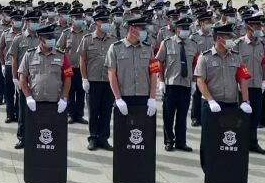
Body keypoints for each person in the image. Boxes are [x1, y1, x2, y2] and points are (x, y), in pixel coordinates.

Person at [194, 23, 253, 169]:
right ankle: (208, 169)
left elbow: (243, 79)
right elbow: (200, 81)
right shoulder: (205, 57)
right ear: (219, 38)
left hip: (231, 105)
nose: (231, 40)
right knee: (209, 139)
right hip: (212, 105)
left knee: (229, 138)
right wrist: (211, 101)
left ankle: (225, 169)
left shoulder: (237, 57)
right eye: (228, 37)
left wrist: (245, 101)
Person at [155, 17, 198, 152]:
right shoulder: (167, 43)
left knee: (182, 115)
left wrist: (194, 82)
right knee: (168, 115)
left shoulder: (193, 44)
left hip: (186, 84)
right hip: (171, 84)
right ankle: (169, 141)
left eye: (187, 28)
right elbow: (159, 62)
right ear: (177, 29)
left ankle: (181, 142)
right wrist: (161, 81)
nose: (185, 31)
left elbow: (195, 64)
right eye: (183, 28)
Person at [77, 9, 117, 150]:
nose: (106, 23)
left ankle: (104, 138)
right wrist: (84, 79)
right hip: (93, 81)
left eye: (107, 21)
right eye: (103, 21)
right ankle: (93, 138)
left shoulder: (113, 40)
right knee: (93, 112)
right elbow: (82, 60)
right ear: (96, 23)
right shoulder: (87, 39)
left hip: (108, 82)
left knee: (106, 112)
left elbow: (116, 63)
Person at [106, 16, 160, 119]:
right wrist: (118, 98)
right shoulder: (115, 48)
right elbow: (111, 74)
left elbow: (154, 73)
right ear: (131, 29)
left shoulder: (149, 49)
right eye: (142, 29)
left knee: (142, 132)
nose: (145, 32)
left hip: (144, 97)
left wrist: (152, 98)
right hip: (124, 97)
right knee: (123, 132)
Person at [19, 24, 72, 116]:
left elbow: (68, 77)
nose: (51, 40)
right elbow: (22, 77)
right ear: (40, 38)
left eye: (52, 37)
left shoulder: (63, 56)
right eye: (48, 37)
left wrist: (64, 97)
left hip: (56, 101)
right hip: (35, 101)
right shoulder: (29, 55)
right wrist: (28, 97)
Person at [10, 10, 42, 149]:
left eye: (37, 21)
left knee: (37, 110)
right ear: (27, 22)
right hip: (24, 79)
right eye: (32, 21)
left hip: (38, 79)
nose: (35, 23)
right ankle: (22, 137)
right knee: (23, 110)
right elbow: (14, 59)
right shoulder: (19, 38)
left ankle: (36, 136)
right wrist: (14, 78)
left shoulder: (42, 37)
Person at [233, 15, 265, 154]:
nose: (259, 28)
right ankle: (239, 142)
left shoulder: (262, 44)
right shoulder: (238, 44)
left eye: (260, 26)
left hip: (257, 85)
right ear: (248, 27)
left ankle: (253, 142)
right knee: (241, 117)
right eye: (256, 26)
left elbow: (263, 65)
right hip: (241, 87)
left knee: (255, 116)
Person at [58, 7, 87, 124]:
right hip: (69, 68)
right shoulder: (66, 33)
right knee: (69, 91)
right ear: (72, 19)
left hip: (82, 68)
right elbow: (59, 48)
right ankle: (70, 114)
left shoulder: (87, 33)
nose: (79, 20)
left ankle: (79, 115)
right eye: (77, 18)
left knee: (81, 92)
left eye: (81, 17)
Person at [0, 10, 24, 123]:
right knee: (9, 91)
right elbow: (0, 50)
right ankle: (9, 114)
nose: (18, 22)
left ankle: (19, 113)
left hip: (23, 67)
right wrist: (3, 65)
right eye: (15, 20)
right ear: (11, 21)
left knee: (20, 92)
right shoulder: (6, 33)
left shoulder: (24, 35)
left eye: (19, 20)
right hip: (9, 65)